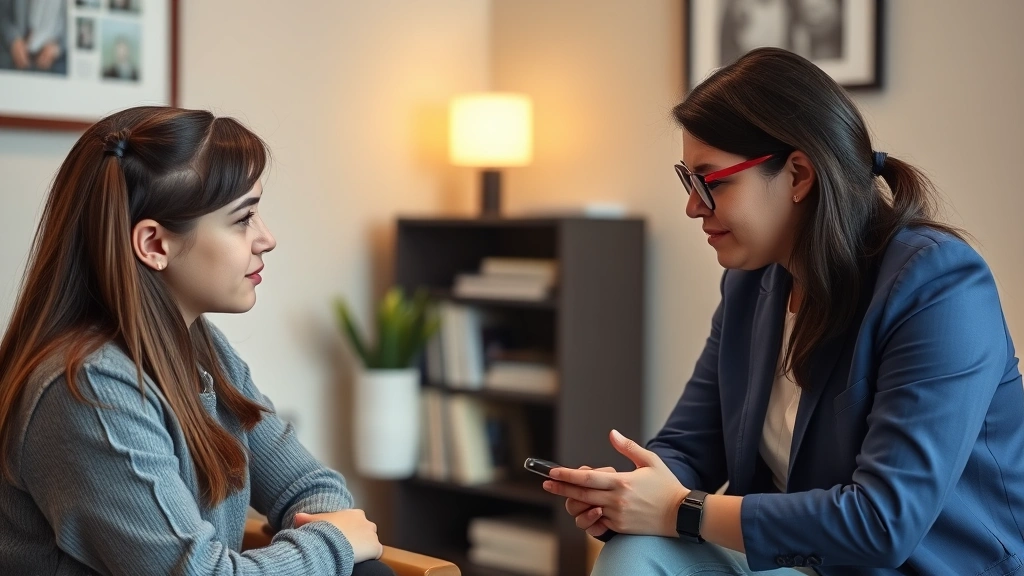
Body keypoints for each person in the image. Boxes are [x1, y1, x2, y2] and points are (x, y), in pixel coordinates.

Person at [543, 48, 1024, 575]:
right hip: (791, 562)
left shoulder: (940, 286)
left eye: (712, 180)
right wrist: (626, 495)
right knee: (634, 551)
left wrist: (681, 510)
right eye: (688, 180)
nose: (692, 205)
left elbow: (882, 524)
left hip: (905, 567)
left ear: (798, 174)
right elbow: (690, 445)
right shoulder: (752, 285)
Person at [0, 106, 395, 576]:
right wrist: (330, 543)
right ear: (153, 245)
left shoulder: (200, 347)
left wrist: (320, 539)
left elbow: (309, 482)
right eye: (242, 218)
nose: (267, 238)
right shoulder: (85, 389)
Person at [0, 0, 66, 74]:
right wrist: (13, 39)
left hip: (56, 57)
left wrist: (57, 47)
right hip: (13, 51)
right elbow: (3, 14)